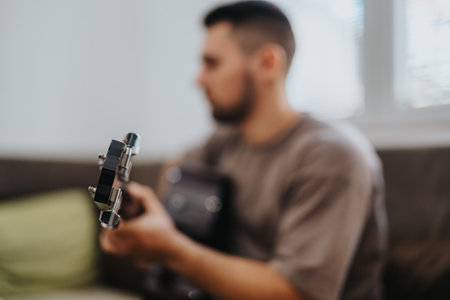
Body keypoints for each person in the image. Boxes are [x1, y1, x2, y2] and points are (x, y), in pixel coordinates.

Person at [100, 1, 388, 300]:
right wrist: (139, 215)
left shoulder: (332, 157)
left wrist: (172, 248)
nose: (198, 79)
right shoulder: (223, 142)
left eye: (212, 63)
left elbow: (297, 293)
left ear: (268, 63)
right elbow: (178, 172)